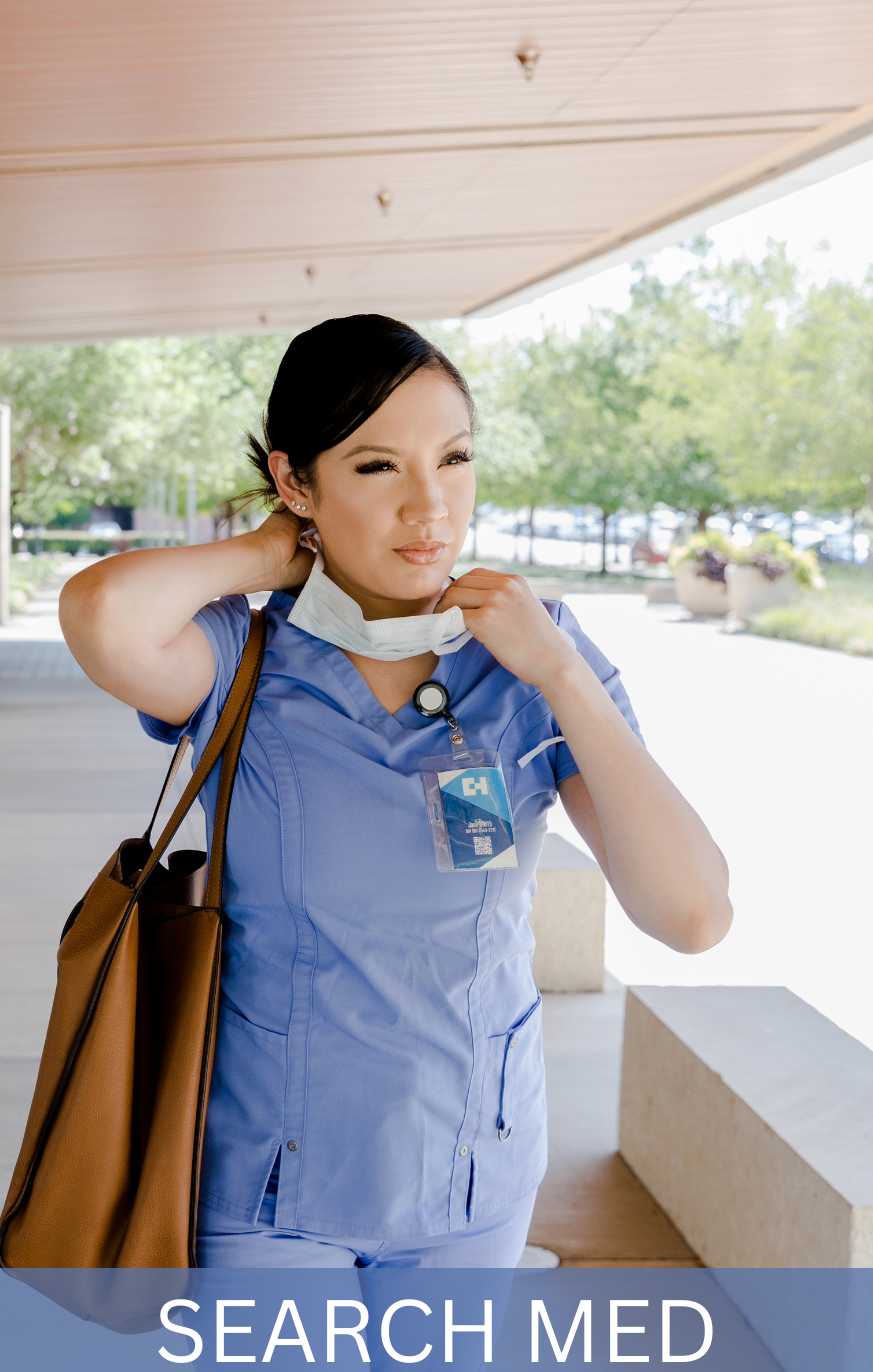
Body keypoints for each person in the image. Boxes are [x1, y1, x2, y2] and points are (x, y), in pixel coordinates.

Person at [60, 315, 731, 1274]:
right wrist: (265, 557)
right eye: (377, 467)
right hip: (267, 1184)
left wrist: (560, 674)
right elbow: (98, 613)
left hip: (474, 1179)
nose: (430, 507)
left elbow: (693, 915)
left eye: (452, 458)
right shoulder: (240, 656)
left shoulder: (530, 660)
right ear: (298, 481)